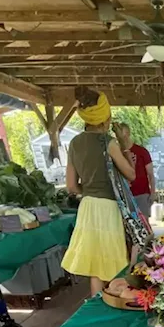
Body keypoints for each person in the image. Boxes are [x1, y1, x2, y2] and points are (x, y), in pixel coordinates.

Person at [62, 87, 136, 297]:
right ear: (105, 117)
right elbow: (131, 175)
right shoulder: (108, 143)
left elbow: (71, 186)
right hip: (108, 207)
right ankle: (113, 309)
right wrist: (125, 145)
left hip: (87, 208)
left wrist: (90, 189)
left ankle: (95, 307)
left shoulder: (75, 143)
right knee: (112, 262)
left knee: (95, 266)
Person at [114, 122, 154, 222]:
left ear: (127, 133)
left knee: (144, 223)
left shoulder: (142, 151)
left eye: (121, 133)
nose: (119, 137)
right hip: (125, 195)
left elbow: (151, 174)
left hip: (142, 194)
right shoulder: (116, 152)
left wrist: (153, 192)